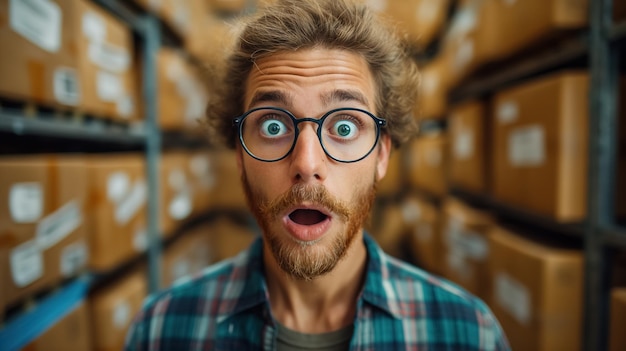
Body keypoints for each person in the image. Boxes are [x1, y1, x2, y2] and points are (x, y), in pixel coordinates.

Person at [125, 0, 510, 350]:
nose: (307, 164)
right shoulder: (161, 330)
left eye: (344, 127)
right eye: (273, 126)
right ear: (239, 154)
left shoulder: (468, 334)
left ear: (381, 154)